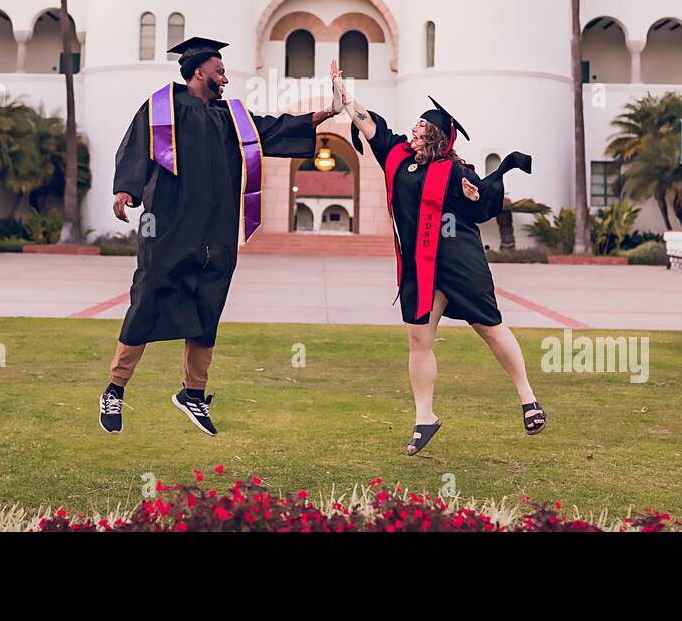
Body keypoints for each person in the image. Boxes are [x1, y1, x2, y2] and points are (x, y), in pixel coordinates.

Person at [100, 37, 342, 437]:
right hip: (170, 227)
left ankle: (193, 394)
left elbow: (276, 128)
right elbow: (137, 148)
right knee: (146, 302)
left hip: (217, 233)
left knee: (207, 308)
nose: (226, 78)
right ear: (199, 71)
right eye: (220, 71)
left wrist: (328, 111)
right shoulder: (162, 107)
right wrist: (126, 188)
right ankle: (115, 389)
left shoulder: (232, 115)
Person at [331, 61, 545, 455]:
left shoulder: (456, 171)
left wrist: (475, 196)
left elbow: (483, 210)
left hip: (459, 259)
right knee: (418, 339)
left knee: (490, 328)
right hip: (420, 266)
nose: (414, 130)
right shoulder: (396, 155)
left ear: (437, 137)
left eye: (421, 127)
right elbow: (366, 122)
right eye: (414, 125)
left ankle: (528, 397)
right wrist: (342, 90)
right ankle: (424, 417)